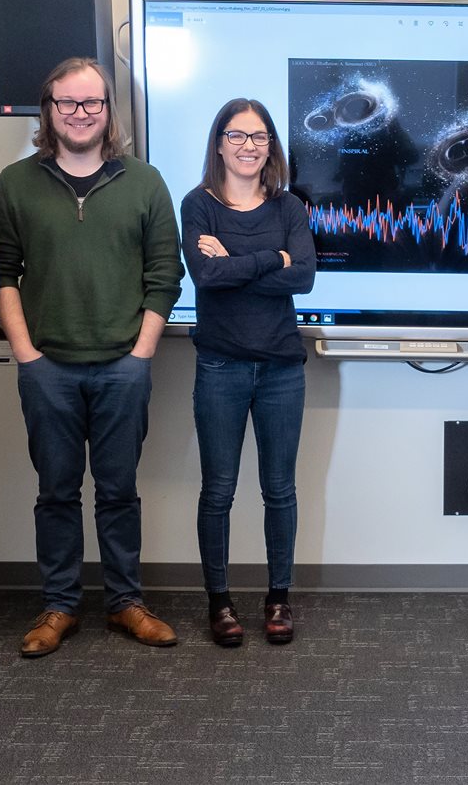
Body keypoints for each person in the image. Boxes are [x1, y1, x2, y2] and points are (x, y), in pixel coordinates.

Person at [0, 57, 185, 657]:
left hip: (123, 367)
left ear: (108, 112)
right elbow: (0, 273)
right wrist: (25, 354)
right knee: (56, 491)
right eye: (67, 103)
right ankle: (59, 606)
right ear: (48, 110)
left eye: (92, 103)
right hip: (47, 369)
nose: (80, 114)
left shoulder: (145, 182)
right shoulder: (15, 184)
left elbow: (164, 274)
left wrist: (141, 353)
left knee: (119, 490)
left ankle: (126, 603)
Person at [180, 98, 316, 647]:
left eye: (259, 137)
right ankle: (220, 603)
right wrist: (271, 260)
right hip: (220, 366)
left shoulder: (289, 209)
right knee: (219, 491)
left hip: (282, 368)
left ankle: (278, 599)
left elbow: (304, 278)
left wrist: (238, 261)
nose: (248, 146)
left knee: (279, 490)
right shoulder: (198, 205)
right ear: (218, 143)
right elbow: (206, 277)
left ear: (271, 147)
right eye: (237, 136)